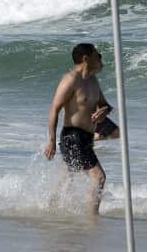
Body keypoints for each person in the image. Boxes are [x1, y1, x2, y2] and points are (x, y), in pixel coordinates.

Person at [44, 43, 117, 215]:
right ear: (86, 58)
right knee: (99, 177)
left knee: (66, 179)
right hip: (72, 136)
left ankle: (51, 212)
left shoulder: (93, 80)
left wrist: (103, 111)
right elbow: (54, 109)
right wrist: (52, 141)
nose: (100, 58)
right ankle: (93, 218)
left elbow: (106, 106)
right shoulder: (71, 80)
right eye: (97, 55)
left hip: (87, 137)